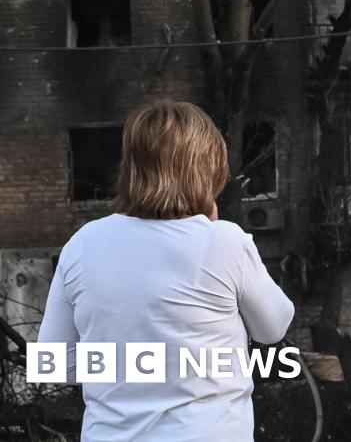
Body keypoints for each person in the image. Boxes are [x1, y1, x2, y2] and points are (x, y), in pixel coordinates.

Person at [37, 100, 295, 441]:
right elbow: (273, 327)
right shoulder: (224, 242)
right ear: (204, 171)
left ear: (132, 169)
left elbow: (55, 363)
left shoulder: (82, 244)